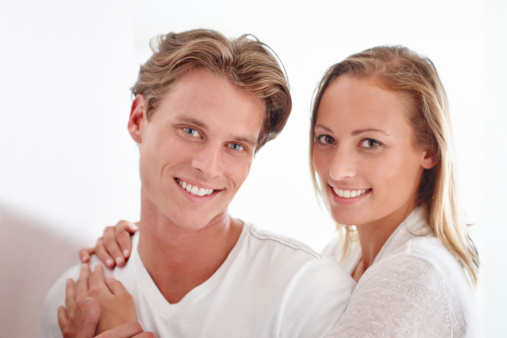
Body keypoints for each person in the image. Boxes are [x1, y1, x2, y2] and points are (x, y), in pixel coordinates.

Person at [86, 45, 481, 336]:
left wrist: (123, 330)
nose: (338, 169)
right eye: (326, 139)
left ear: (429, 149)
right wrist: (156, 239)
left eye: (370, 143)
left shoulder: (413, 276)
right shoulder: (348, 255)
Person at [39, 28, 355, 337]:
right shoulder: (76, 302)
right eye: (191, 131)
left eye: (235, 146)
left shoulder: (307, 291)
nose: (208, 167)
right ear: (138, 119)